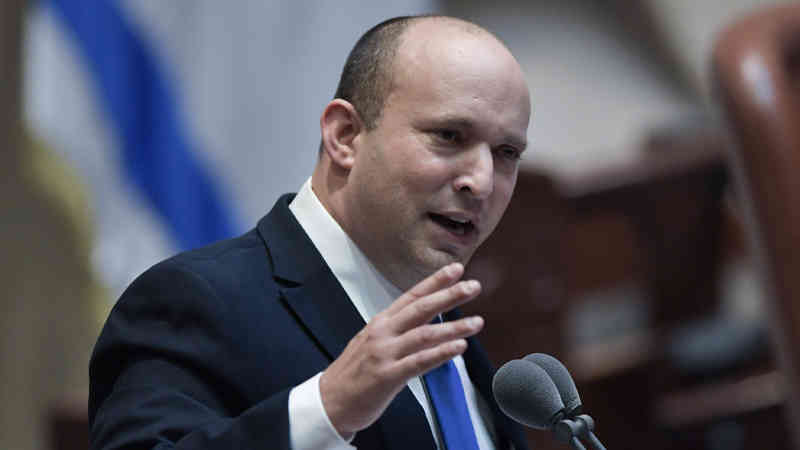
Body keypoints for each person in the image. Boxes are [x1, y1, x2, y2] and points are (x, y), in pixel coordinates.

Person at [89, 14, 532, 450]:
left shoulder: (455, 338)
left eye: (506, 152)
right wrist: (328, 410)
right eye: (450, 136)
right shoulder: (192, 301)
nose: (483, 181)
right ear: (345, 136)